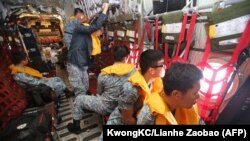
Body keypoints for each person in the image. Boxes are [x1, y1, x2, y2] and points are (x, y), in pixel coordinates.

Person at [67, 45, 139, 133]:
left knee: (79, 99)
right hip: (125, 109)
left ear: (114, 57)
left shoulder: (104, 74)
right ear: (126, 57)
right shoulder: (134, 71)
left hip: (106, 107)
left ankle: (76, 127)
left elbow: (99, 93)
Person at [106, 49, 166, 125]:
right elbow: (127, 119)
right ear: (152, 70)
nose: (165, 67)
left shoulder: (156, 81)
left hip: (139, 118)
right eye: (162, 65)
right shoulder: (131, 89)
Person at [137, 62, 203, 125]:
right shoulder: (149, 115)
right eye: (195, 93)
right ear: (176, 94)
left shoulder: (189, 106)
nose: (198, 96)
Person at [67, 3, 109, 97]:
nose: (101, 33)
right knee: (80, 91)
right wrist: (105, 10)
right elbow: (94, 26)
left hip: (83, 64)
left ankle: (85, 104)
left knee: (85, 87)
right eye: (100, 31)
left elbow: (95, 51)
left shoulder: (89, 36)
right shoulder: (79, 28)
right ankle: (80, 108)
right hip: (75, 64)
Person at [9, 52, 73, 98]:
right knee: (58, 84)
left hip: (39, 82)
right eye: (26, 58)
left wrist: (42, 76)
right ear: (22, 61)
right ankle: (55, 97)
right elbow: (34, 83)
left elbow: (33, 77)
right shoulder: (19, 74)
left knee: (57, 78)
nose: (28, 60)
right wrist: (44, 79)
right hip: (38, 87)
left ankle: (67, 92)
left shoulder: (21, 68)